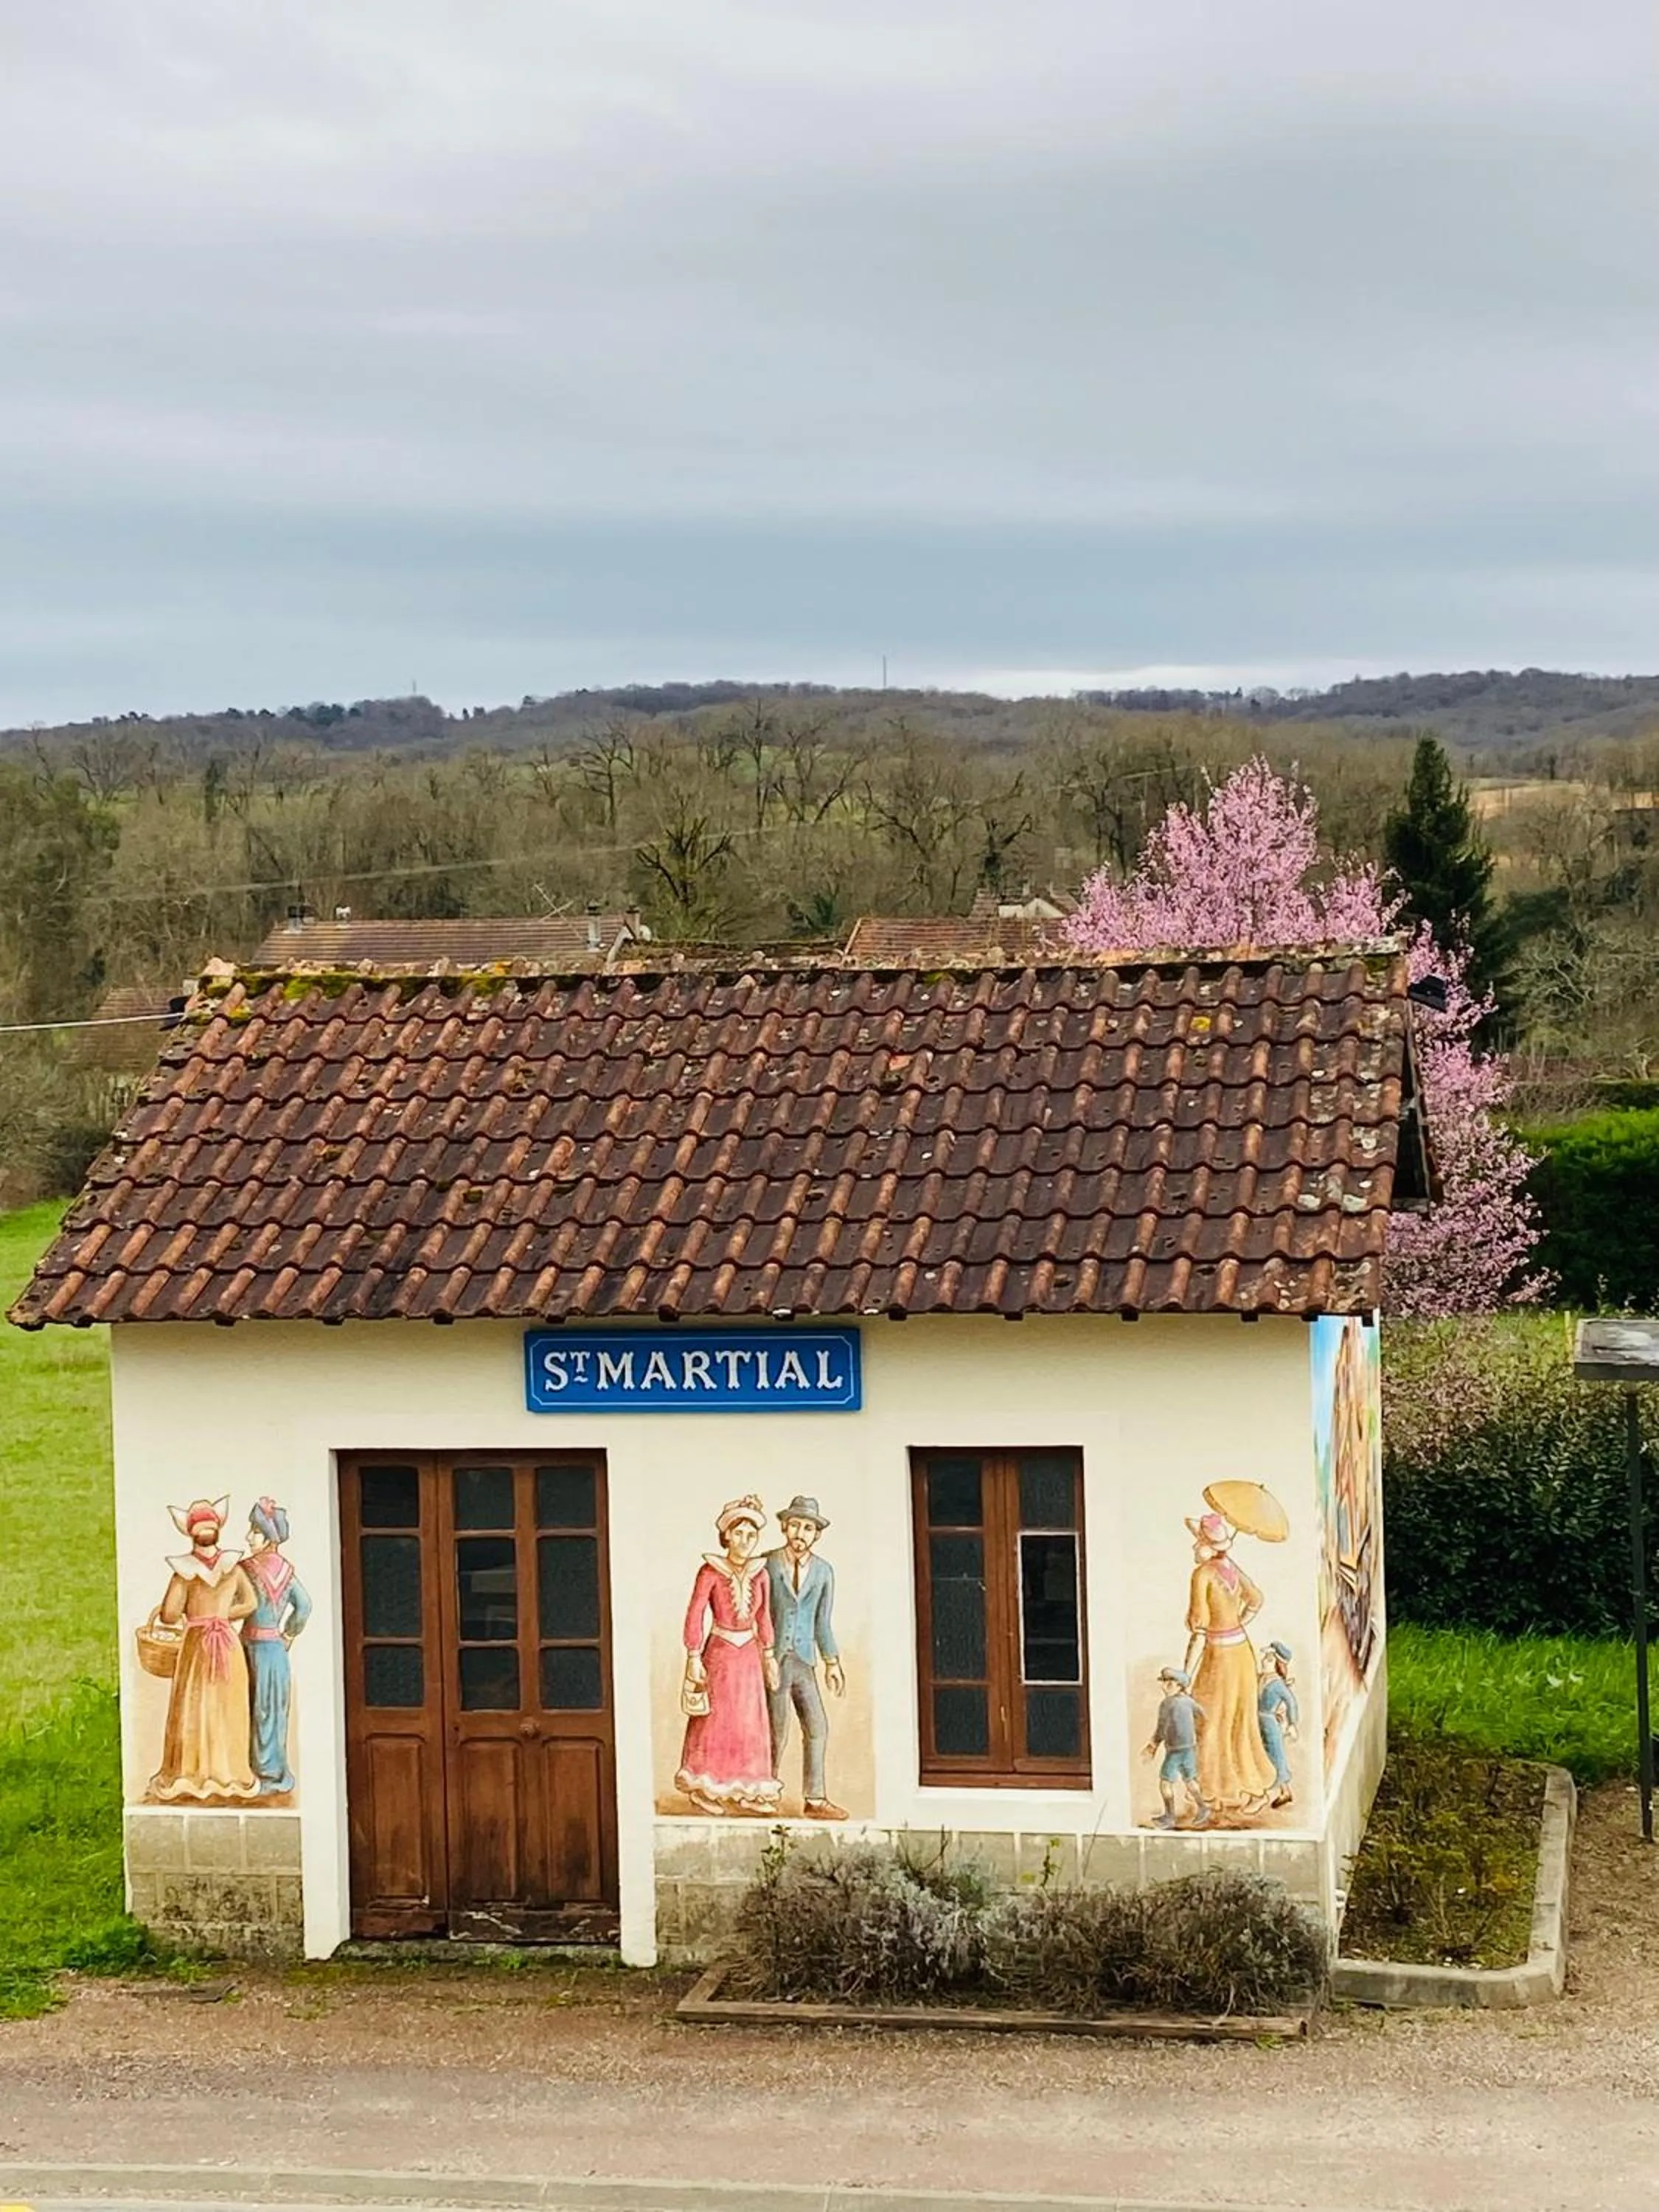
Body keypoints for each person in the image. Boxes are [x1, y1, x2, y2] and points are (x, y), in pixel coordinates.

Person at [675, 1495, 784, 1817]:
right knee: (717, 1720)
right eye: (738, 1534)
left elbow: (764, 1616)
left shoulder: (760, 1574)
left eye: (751, 1536)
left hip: (749, 1657)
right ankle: (704, 1787)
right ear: (726, 1536)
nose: (744, 1542)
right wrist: (694, 1655)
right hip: (720, 1655)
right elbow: (695, 1614)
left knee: (750, 1721)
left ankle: (749, 1788)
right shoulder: (710, 1572)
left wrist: (769, 1655)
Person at [147, 1497, 261, 1803]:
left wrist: (193, 1614)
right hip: (226, 1642)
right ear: (217, 1531)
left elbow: (170, 1614)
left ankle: (193, 1773)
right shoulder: (233, 1569)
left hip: (198, 1644)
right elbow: (249, 1603)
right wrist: (223, 1616)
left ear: (191, 1533)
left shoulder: (183, 1573)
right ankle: (230, 1773)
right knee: (225, 1707)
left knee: (196, 1706)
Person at [1182, 1510, 1277, 1817]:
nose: (1194, 1548)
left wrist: (1186, 1673)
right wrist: (1239, 1622)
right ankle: (1244, 1789)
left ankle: (1218, 1791)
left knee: (1211, 1721)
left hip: (1219, 1656)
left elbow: (1199, 1628)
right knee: (1237, 1720)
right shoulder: (1231, 1568)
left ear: (1208, 1545)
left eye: (1197, 1541)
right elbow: (1257, 1599)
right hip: (1241, 1651)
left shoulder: (1203, 1575)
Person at [764, 1495, 846, 1820]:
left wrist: (832, 1662)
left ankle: (815, 1798)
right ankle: (764, 1791)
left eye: (808, 1528)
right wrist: (764, 1655)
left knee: (817, 1726)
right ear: (784, 1527)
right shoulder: (767, 1563)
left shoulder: (824, 1571)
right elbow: (759, 1612)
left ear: (817, 1534)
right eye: (795, 1525)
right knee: (776, 1729)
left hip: (804, 1660)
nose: (800, 1533)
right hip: (775, 1658)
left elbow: (822, 1621)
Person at [241, 1497, 312, 1796]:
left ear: (268, 1538)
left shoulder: (247, 1570)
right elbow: (304, 1606)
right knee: (270, 1709)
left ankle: (265, 1774)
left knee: (258, 1709)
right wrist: (288, 1635)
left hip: (251, 1647)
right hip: (274, 1649)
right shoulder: (287, 1573)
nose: (248, 1537)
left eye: (254, 1531)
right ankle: (270, 1771)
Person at [1144, 1665, 1210, 1829]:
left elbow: (1161, 1729)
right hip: (1188, 1748)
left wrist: (1153, 1745)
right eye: (1164, 1683)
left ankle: (1170, 1817)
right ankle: (1203, 1808)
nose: (1165, 1687)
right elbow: (1203, 1716)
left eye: (1170, 1684)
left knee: (1166, 1782)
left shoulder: (1167, 1704)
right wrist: (1198, 1734)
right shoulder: (1189, 1702)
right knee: (1190, 1780)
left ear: (1179, 1686)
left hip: (1175, 1750)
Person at [1256, 1641, 1299, 1808]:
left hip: (1269, 1722)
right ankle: (1260, 1790)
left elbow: (1291, 1702)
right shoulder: (1261, 1678)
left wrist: (1292, 1723)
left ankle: (1285, 1790)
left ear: (1277, 1663)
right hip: (1257, 1721)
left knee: (1275, 1755)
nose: (1264, 1661)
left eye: (1269, 1658)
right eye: (1265, 1658)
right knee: (1259, 1754)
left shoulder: (1277, 1684)